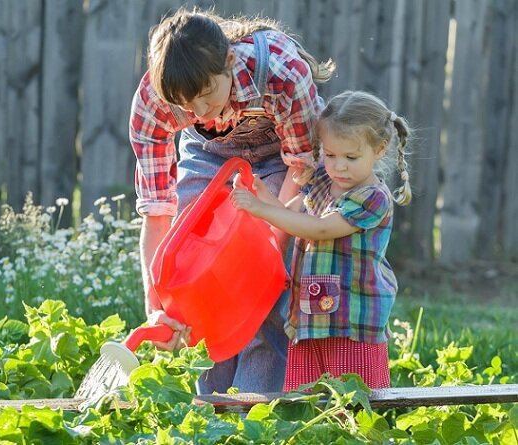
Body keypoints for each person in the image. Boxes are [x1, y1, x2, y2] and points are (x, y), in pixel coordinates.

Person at [129, 7, 334, 394]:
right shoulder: (152, 105)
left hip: (282, 158)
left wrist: (267, 255)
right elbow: (158, 215)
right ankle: (208, 408)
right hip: (208, 153)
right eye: (186, 106)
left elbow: (301, 168)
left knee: (269, 292)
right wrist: (157, 306)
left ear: (228, 62)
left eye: (206, 95)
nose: (200, 111)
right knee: (191, 273)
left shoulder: (280, 71)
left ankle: (252, 410)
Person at [231, 90, 412, 389]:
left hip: (351, 326)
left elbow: (320, 229)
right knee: (306, 403)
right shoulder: (324, 183)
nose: (338, 166)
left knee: (353, 405)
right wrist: (261, 194)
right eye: (330, 155)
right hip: (310, 320)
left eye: (351, 157)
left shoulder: (373, 198)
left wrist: (260, 209)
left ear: (379, 149)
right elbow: (292, 215)